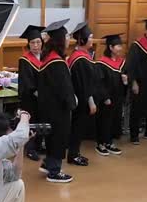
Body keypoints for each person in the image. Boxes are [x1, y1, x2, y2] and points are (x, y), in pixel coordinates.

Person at [37, 19, 77, 183]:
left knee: (52, 137)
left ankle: (48, 163)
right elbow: (64, 87)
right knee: (58, 137)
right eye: (66, 37)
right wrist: (72, 102)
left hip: (48, 107)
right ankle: (54, 171)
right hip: (58, 109)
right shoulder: (57, 62)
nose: (69, 40)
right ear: (60, 40)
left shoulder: (48, 57)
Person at [66, 22, 97, 166]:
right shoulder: (80, 59)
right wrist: (91, 101)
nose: (92, 40)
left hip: (80, 98)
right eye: (90, 37)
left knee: (78, 127)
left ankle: (75, 153)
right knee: (77, 127)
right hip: (81, 99)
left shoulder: (81, 55)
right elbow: (84, 84)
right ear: (82, 40)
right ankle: (73, 155)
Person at [95, 34, 127, 156]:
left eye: (120, 45)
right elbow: (99, 83)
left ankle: (109, 143)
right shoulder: (101, 63)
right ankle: (100, 144)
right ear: (110, 47)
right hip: (106, 99)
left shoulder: (122, 63)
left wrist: (125, 81)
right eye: (118, 46)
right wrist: (105, 97)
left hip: (118, 98)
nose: (120, 48)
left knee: (114, 120)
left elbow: (125, 81)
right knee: (104, 120)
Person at [18, 24, 45, 161]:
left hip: (43, 97)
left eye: (38, 42)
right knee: (31, 122)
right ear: (28, 44)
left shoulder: (45, 57)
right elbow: (27, 80)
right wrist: (36, 92)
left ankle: (39, 145)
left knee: (41, 120)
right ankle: (30, 148)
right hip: (30, 98)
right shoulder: (25, 59)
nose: (36, 45)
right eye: (33, 42)